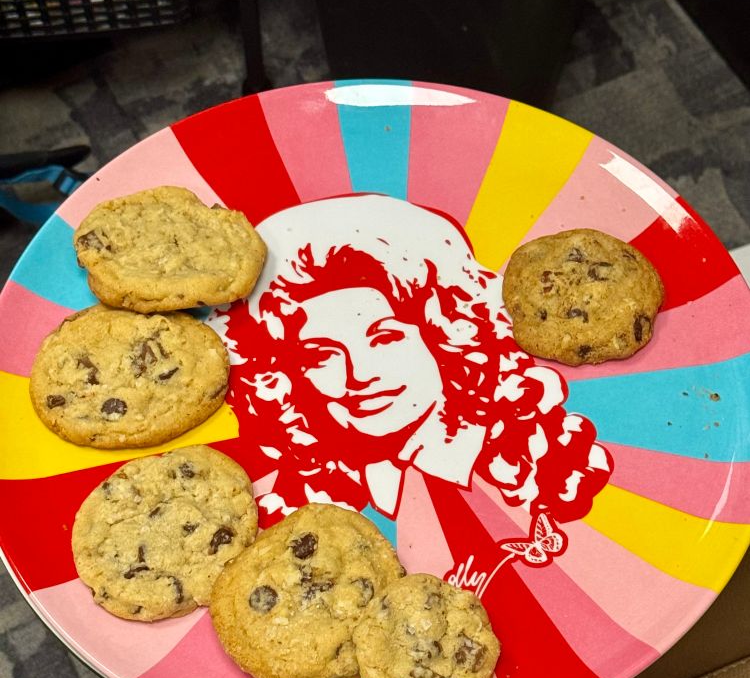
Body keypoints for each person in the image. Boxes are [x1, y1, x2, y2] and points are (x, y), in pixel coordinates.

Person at [215, 194, 612, 531]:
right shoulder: (299, 510)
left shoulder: (549, 468)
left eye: (384, 337)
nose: (358, 376)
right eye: (321, 356)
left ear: (451, 334)